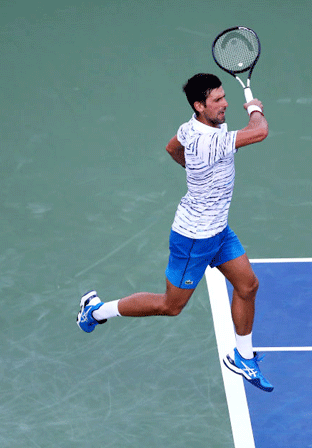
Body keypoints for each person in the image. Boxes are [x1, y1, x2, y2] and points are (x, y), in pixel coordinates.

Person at [76, 73, 273, 392]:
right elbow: (259, 130)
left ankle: (243, 356)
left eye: (224, 97)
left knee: (248, 286)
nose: (225, 104)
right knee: (171, 305)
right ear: (199, 106)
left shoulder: (192, 126)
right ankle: (97, 311)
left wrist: (195, 172)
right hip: (194, 238)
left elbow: (172, 148)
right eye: (217, 100)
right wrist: (253, 107)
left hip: (219, 231)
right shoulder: (209, 140)